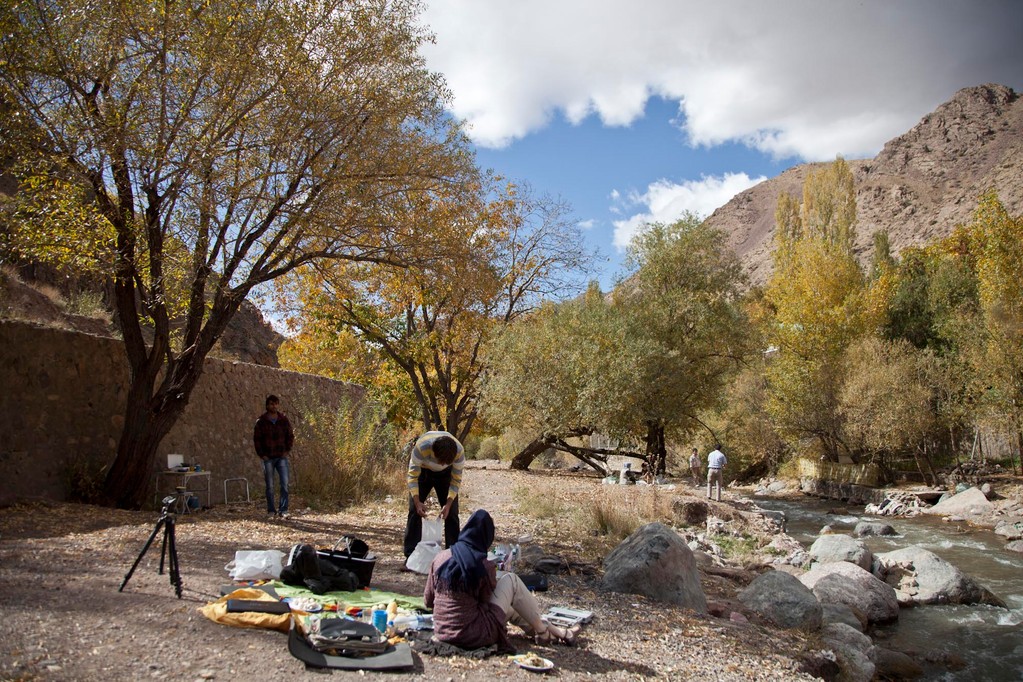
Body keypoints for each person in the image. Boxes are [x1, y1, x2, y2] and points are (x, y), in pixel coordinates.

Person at [424, 509, 579, 650]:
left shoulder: (439, 559)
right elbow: (485, 600)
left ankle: (558, 632)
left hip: (442, 631)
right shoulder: (483, 565)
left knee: (512, 608)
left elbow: (428, 601)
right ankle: (544, 632)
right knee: (511, 580)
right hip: (475, 635)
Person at [403, 431, 466, 559]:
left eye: (446, 462)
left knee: (452, 513)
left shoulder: (459, 452)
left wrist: (448, 504)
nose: (442, 464)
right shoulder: (421, 448)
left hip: (446, 476)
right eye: (440, 461)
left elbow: (456, 480)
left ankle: (453, 555)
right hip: (423, 472)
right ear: (433, 452)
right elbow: (412, 476)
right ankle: (411, 556)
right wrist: (417, 501)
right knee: (414, 511)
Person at [253, 394, 294, 519]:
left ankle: (284, 509)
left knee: (284, 483)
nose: (274, 406)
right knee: (270, 486)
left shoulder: (283, 419)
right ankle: (271, 510)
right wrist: (262, 455)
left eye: (276, 403)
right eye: (271, 404)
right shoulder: (261, 422)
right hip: (268, 458)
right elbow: (257, 440)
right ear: (267, 405)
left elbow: (290, 435)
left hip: (281, 456)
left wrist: (287, 451)